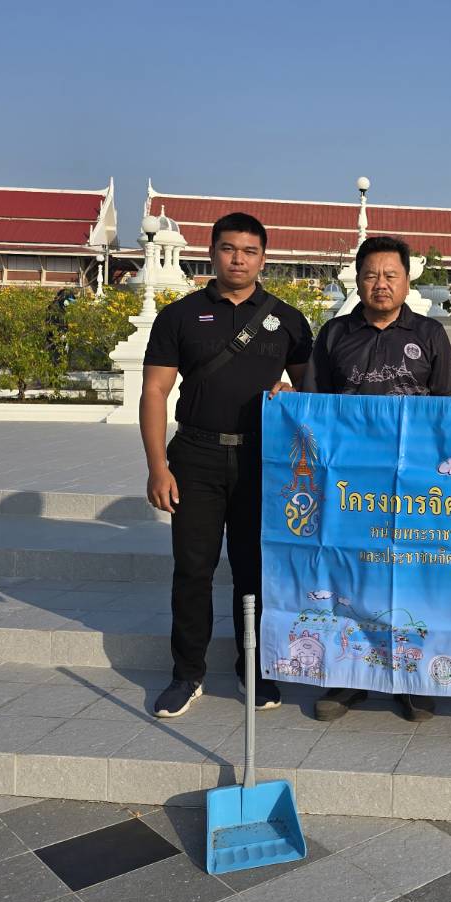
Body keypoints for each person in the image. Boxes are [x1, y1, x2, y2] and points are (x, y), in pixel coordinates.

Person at [142, 212, 313, 719]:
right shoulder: (181, 316)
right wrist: (157, 466)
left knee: (254, 570)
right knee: (192, 568)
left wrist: (292, 390)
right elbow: (154, 391)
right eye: (228, 248)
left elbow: (311, 391)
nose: (238, 259)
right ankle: (187, 672)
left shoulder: (287, 319)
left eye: (249, 251)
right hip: (194, 456)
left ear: (265, 257)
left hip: (263, 459)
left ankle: (253, 668)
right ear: (212, 252)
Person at [304, 235, 451, 723]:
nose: (381, 284)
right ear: (357, 278)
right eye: (371, 275)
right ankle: (347, 678)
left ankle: (411, 679)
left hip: (416, 486)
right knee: (351, 576)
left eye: (391, 275)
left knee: (413, 576)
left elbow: (448, 411)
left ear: (407, 280)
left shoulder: (431, 333)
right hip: (351, 485)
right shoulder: (333, 334)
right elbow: (316, 408)